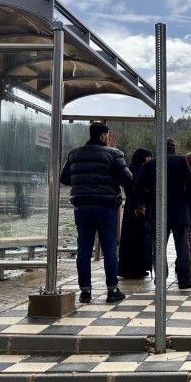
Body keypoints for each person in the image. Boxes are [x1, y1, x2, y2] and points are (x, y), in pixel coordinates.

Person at [60, 122, 134, 304]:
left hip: (82, 207)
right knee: (109, 247)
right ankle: (112, 290)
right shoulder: (114, 154)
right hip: (106, 206)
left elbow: (64, 178)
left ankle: (85, 292)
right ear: (103, 136)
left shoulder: (74, 154)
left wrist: (83, 183)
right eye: (107, 136)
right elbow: (127, 179)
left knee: (83, 248)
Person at [135, 138, 191, 289]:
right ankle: (184, 280)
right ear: (173, 148)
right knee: (182, 246)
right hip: (179, 211)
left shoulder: (150, 164)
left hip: (157, 211)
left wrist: (143, 204)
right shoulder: (181, 161)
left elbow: (137, 188)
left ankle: (161, 280)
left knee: (159, 248)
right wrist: (185, 200)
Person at [118, 148, 153, 279]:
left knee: (140, 239)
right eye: (147, 157)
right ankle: (129, 268)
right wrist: (139, 205)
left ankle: (139, 267)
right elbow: (131, 190)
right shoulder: (133, 170)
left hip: (139, 208)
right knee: (132, 239)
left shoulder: (141, 170)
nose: (148, 159)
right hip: (135, 209)